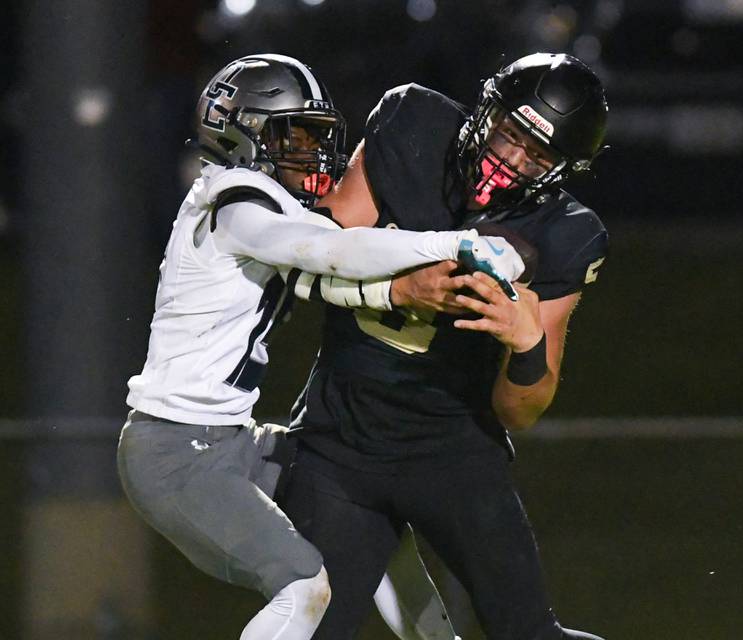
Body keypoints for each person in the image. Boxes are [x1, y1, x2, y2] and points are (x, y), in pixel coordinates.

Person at [116, 53, 523, 640]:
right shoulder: (236, 202)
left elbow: (334, 271)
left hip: (231, 441)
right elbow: (333, 253)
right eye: (293, 136)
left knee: (363, 503)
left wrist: (410, 279)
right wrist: (459, 242)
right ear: (241, 130)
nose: (310, 153)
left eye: (314, 136)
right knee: (303, 586)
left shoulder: (265, 204)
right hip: (177, 453)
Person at [280, 53, 610, 640]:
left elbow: (522, 409)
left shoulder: (567, 234)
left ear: (562, 170)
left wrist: (526, 343)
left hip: (453, 454)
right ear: (488, 111)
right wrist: (399, 287)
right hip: (340, 444)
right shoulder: (415, 125)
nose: (510, 161)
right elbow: (319, 249)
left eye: (537, 155)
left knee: (529, 634)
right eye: (511, 134)